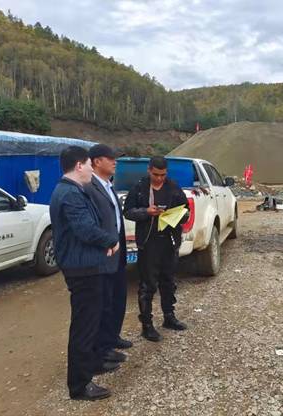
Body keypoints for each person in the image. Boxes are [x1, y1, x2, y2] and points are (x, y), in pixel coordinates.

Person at [50, 146, 120, 401]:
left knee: (90, 320)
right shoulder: (70, 194)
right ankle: (79, 385)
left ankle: (90, 366)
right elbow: (85, 229)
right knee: (85, 326)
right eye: (90, 164)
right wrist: (110, 241)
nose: (92, 169)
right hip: (82, 270)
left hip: (86, 265)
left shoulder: (73, 190)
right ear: (79, 165)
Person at [123, 156, 188, 342]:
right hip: (148, 242)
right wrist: (146, 212)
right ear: (149, 170)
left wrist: (177, 215)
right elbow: (128, 212)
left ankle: (169, 316)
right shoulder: (139, 188)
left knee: (168, 281)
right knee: (148, 285)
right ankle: (147, 325)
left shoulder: (173, 187)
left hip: (169, 241)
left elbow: (186, 211)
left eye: (163, 175)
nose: (159, 178)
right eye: (156, 174)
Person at [84, 144, 132, 366]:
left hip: (117, 252)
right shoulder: (89, 187)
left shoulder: (108, 185)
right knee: (103, 303)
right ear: (96, 162)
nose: (115, 162)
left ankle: (112, 337)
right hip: (103, 254)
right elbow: (92, 224)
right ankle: (102, 349)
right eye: (110, 158)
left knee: (117, 298)